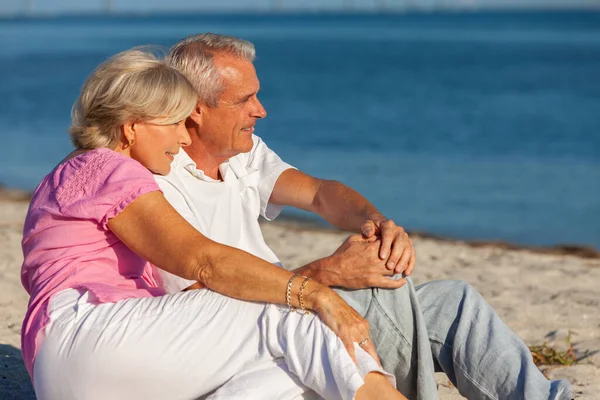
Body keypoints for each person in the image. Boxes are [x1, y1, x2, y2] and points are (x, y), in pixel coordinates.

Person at [152, 33, 574, 400]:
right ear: (196, 109)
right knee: (384, 288)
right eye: (245, 100)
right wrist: (325, 272)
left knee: (453, 303)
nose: (260, 111)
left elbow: (320, 195)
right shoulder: (160, 185)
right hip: (261, 338)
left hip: (297, 308)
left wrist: (377, 225)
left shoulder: (240, 155)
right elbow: (203, 312)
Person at [20, 47, 409, 400]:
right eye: (172, 122)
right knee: (290, 312)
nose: (181, 136)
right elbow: (202, 261)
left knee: (286, 379)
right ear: (132, 126)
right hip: (88, 337)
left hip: (84, 364)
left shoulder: (72, 173)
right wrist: (318, 293)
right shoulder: (107, 168)